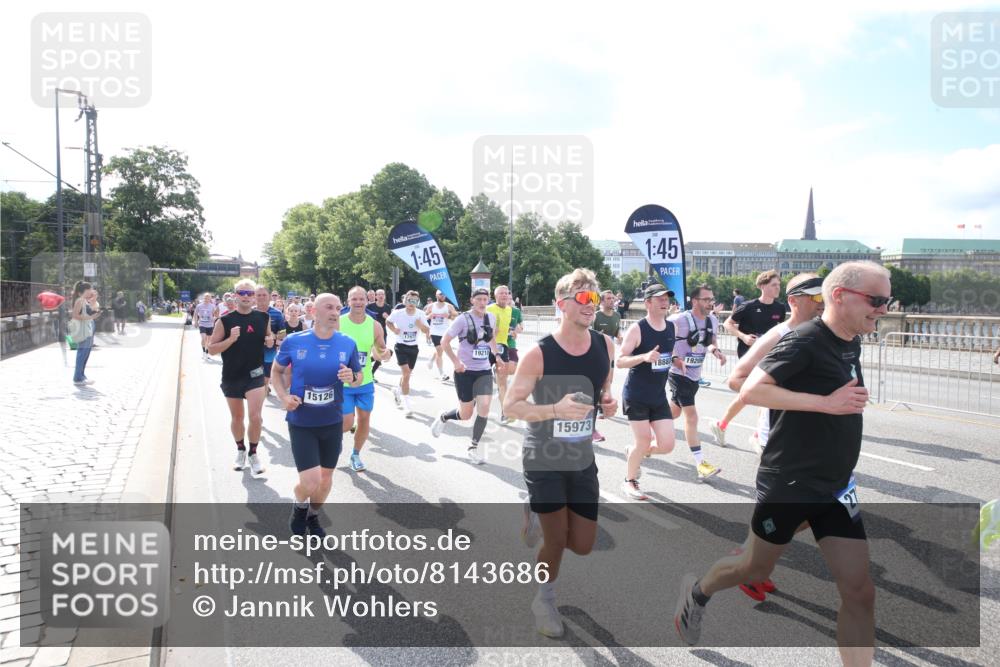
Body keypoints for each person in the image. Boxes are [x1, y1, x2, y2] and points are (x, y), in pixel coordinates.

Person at [674, 262, 890, 667]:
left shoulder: (851, 341)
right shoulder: (804, 340)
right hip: (790, 481)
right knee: (752, 568)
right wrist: (826, 403)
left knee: (860, 592)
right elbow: (751, 389)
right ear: (840, 296)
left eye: (887, 301)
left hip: (837, 485)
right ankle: (699, 591)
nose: (883, 309)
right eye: (876, 301)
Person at [503, 268, 617, 638]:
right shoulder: (539, 354)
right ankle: (544, 599)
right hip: (544, 456)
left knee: (582, 545)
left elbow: (604, 386)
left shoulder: (605, 345)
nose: (591, 305)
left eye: (595, 298)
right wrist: (554, 410)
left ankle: (534, 512)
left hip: (582, 457)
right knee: (556, 541)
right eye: (583, 298)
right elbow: (510, 406)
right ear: (562, 304)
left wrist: (608, 401)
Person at [724, 273, 824, 601]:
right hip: (780, 439)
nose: (824, 304)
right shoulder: (779, 334)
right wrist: (789, 395)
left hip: (812, 438)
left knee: (814, 511)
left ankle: (752, 562)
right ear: (796, 302)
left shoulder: (828, 333)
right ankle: (748, 564)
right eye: (817, 298)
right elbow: (736, 380)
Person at [272, 293, 363, 537]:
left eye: (338, 308)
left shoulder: (347, 343)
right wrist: (283, 397)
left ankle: (312, 516)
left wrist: (352, 378)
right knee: (310, 481)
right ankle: (299, 507)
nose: (335, 312)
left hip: (331, 422)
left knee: (324, 480)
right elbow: (277, 371)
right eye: (329, 307)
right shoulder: (294, 341)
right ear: (314, 312)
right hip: (302, 421)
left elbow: (358, 376)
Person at [616, 284, 678, 499]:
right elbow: (620, 361)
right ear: (648, 303)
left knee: (667, 445)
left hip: (658, 396)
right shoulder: (638, 328)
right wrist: (643, 357)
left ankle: (634, 452)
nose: (664, 302)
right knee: (642, 441)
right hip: (637, 394)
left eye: (667, 298)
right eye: (659, 298)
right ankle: (630, 481)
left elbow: (669, 353)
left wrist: (677, 360)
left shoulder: (671, 328)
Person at [712, 270, 787, 447]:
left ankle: (729, 426)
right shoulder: (748, 306)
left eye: (779, 285)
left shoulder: (780, 308)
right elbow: (727, 323)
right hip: (748, 355)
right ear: (762, 286)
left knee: (760, 394)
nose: (778, 288)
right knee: (759, 393)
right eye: (774, 285)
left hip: (770, 355)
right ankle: (754, 434)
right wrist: (744, 336)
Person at [208, 279, 274, 476]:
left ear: (254, 296)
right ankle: (240, 450)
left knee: (256, 417)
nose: (246, 296)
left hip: (255, 375)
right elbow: (211, 349)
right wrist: (230, 339)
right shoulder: (225, 321)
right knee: (237, 418)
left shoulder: (263, 317)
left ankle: (254, 454)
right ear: (235, 295)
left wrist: (270, 341)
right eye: (242, 293)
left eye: (249, 293)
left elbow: (269, 338)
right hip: (232, 375)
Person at [429, 288, 499, 464]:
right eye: (479, 299)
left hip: (483, 370)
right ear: (472, 301)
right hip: (464, 372)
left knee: (484, 407)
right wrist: (456, 362)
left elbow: (490, 338)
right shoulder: (462, 320)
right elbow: (444, 342)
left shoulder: (491, 317)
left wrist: (496, 356)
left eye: (486, 299)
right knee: (466, 414)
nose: (483, 303)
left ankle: (473, 447)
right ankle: (444, 417)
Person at [667, 284, 725, 481]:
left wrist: (716, 351)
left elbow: (710, 341)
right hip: (678, 373)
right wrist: (675, 358)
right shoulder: (678, 320)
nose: (711, 303)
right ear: (695, 301)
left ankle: (649, 428)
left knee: (673, 413)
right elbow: (664, 340)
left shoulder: (713, 320)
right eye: (706, 299)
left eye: (712, 299)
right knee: (691, 417)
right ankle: (701, 464)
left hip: (694, 375)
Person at [340, 286, 392, 472]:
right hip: (343, 383)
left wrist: (385, 354)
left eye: (361, 299)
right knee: (346, 423)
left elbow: (379, 351)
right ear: (348, 301)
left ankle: (355, 454)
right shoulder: (339, 323)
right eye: (354, 299)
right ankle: (334, 441)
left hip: (365, 382)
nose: (358, 302)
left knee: (364, 419)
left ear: (366, 301)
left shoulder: (374, 325)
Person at [386, 290, 430, 415]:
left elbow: (427, 330)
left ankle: (397, 390)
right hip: (401, 346)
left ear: (418, 302)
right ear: (405, 300)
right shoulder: (398, 313)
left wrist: (420, 324)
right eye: (409, 300)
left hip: (413, 348)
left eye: (414, 301)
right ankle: (407, 405)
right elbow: (388, 322)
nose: (412, 303)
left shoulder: (420, 314)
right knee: (406, 374)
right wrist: (394, 329)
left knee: (407, 375)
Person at [590, 290, 623, 442]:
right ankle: (591, 428)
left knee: (608, 384)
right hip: (595, 356)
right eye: (608, 298)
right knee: (594, 390)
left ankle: (602, 407)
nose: (612, 301)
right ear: (601, 302)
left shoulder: (617, 316)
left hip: (610, 357)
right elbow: (588, 333)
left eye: (613, 298)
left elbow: (617, 332)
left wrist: (620, 336)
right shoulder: (596, 316)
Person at [486, 285, 516, 424]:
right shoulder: (489, 308)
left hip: (502, 346)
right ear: (495, 296)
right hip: (486, 346)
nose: (504, 295)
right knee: (481, 380)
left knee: (502, 380)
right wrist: (491, 333)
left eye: (506, 293)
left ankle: (505, 413)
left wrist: (512, 332)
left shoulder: (510, 310)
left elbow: (505, 327)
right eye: (501, 293)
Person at [256, 286, 286, 397]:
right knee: (256, 371)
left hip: (270, 349)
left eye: (264, 295)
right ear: (254, 297)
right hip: (253, 350)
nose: (261, 297)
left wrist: (273, 336)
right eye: (258, 295)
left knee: (267, 370)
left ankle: (264, 386)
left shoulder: (277, 313)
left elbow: (283, 333)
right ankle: (262, 387)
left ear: (269, 297)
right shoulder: (250, 312)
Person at [70, 281, 100, 386]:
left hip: (88, 328)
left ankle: (82, 376)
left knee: (85, 354)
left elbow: (93, 309)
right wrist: (90, 317)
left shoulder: (85, 300)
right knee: (82, 353)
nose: (90, 291)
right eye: (89, 290)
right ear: (82, 291)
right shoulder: (80, 300)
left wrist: (94, 300)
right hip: (83, 329)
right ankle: (77, 378)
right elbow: (74, 315)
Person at [425, 290, 458, 381]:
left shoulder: (448, 306)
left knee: (440, 350)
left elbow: (456, 315)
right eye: (440, 294)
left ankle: (431, 359)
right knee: (440, 350)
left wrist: (449, 315)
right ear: (436, 295)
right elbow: (424, 317)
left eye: (444, 294)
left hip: (445, 332)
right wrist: (429, 316)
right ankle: (442, 373)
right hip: (434, 331)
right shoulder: (431, 306)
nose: (443, 296)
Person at [370, 289, 394, 380]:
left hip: (382, 332)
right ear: (376, 296)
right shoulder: (370, 306)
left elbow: (391, 321)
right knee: (366, 353)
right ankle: (362, 364)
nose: (380, 296)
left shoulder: (387, 307)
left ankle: (371, 373)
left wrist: (387, 317)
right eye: (379, 294)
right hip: (370, 332)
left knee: (381, 354)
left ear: (384, 296)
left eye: (382, 294)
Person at [194, 293, 218, 361]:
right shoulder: (199, 306)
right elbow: (195, 314)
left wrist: (214, 318)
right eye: (205, 298)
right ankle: (204, 352)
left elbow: (216, 314)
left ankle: (207, 354)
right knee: (203, 338)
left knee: (209, 340)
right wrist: (196, 322)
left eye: (208, 298)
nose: (206, 299)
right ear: (203, 298)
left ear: (210, 299)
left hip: (210, 325)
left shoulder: (212, 306)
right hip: (202, 324)